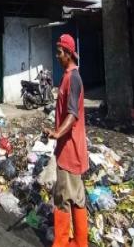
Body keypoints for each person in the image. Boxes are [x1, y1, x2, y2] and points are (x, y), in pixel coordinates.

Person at [44, 34, 89, 247]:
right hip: (72, 148)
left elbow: (72, 114)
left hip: (69, 150)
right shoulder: (68, 76)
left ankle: (61, 243)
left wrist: (57, 133)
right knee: (77, 198)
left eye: (60, 52)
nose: (57, 56)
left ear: (69, 54)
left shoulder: (73, 78)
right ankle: (81, 243)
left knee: (63, 198)